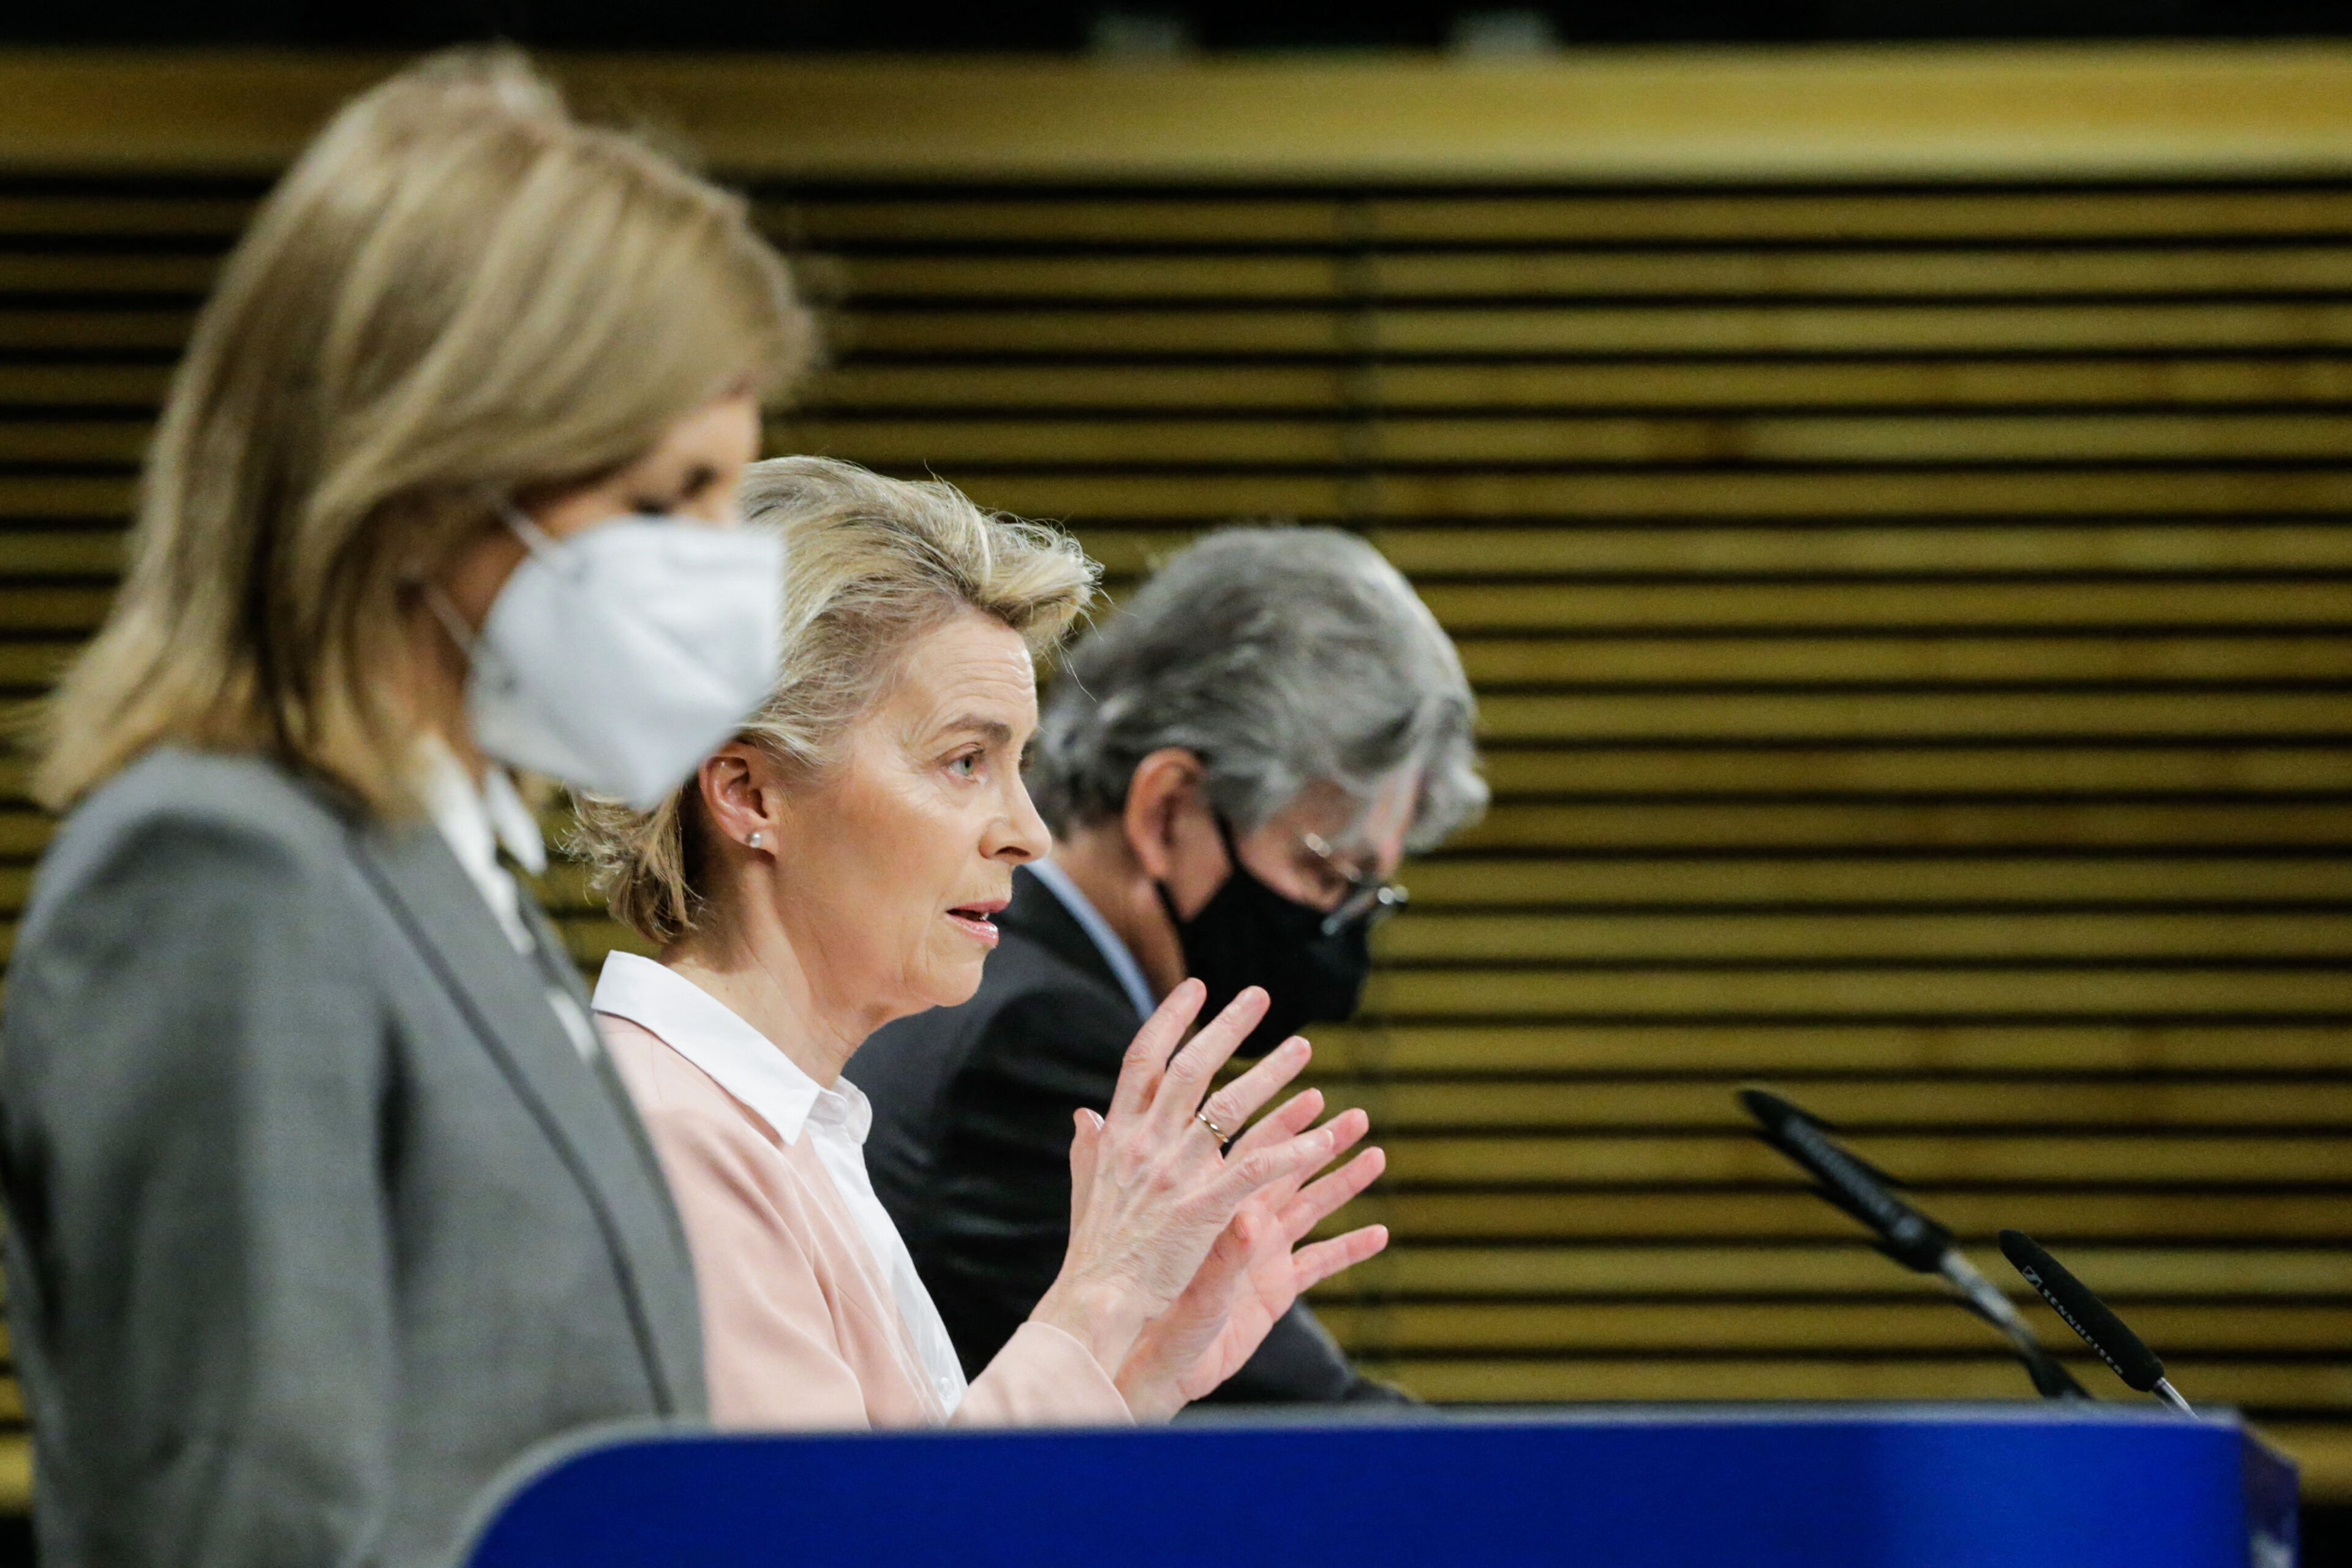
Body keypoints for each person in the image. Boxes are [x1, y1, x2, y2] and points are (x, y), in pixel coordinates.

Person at [0, 53, 808, 1568]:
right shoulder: (222, 872)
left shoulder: (442, 870)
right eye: (663, 500)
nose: (721, 570)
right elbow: (244, 1518)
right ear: (429, 478)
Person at [568, 458, 1390, 1429]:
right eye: (965, 761)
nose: (1029, 833)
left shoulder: (788, 1129)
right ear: (752, 795)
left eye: (1018, 765)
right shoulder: (677, 1139)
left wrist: (1129, 1379)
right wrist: (1096, 1306)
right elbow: (839, 1519)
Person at [855, 525, 1487, 1404]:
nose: (1341, 940)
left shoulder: (995, 981)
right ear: (1167, 811)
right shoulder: (1036, 1044)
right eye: (1328, 876)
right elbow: (1284, 1425)